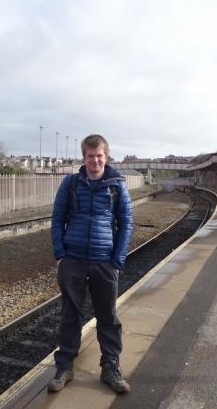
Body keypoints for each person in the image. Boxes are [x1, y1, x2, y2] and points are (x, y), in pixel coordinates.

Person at [48, 134, 134, 394]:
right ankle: (64, 367)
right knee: (70, 315)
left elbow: (126, 223)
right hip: (72, 260)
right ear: (83, 158)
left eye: (99, 156)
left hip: (103, 262)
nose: (94, 160)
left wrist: (117, 261)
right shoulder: (70, 183)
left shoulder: (117, 185)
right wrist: (60, 255)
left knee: (107, 316)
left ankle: (110, 367)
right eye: (90, 156)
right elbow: (57, 219)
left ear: (106, 157)